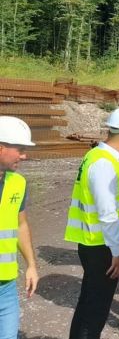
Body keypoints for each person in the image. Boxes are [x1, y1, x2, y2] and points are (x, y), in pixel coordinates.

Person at [65, 107, 119, 339]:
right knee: (95, 310)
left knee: (88, 303)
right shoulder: (104, 164)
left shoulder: (96, 157)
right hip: (102, 247)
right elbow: (108, 214)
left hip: (95, 244)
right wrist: (118, 253)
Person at [0, 116, 38, 339]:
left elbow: (21, 224)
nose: (24, 155)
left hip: (5, 286)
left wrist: (31, 265)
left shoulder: (18, 182)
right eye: (20, 149)